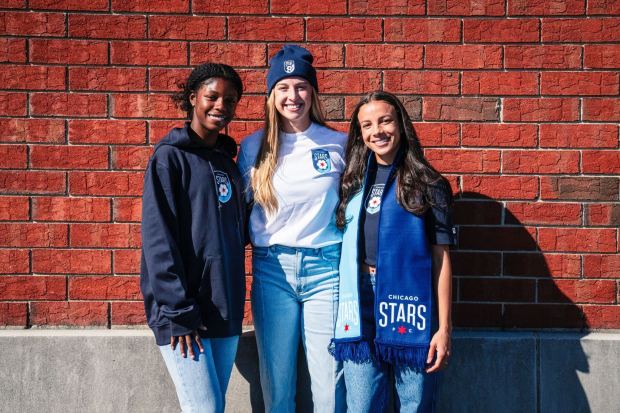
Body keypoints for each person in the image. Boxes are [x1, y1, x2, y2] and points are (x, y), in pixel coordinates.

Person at [237, 45, 346, 412]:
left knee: (330, 387)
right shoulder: (253, 148)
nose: (292, 96)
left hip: (326, 270)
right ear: (271, 95)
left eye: (300, 86)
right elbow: (237, 212)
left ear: (312, 91)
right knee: (278, 388)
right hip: (272, 271)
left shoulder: (338, 144)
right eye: (283, 88)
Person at [331, 91, 455, 412]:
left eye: (385, 120)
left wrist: (443, 329)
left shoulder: (429, 183)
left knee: (415, 404)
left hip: (411, 305)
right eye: (367, 125)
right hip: (360, 300)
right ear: (360, 134)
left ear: (400, 124)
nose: (378, 131)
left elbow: (441, 260)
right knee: (361, 405)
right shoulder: (353, 182)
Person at [140, 63, 246, 413]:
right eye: (212, 96)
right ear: (192, 98)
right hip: (183, 313)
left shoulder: (228, 163)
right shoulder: (169, 158)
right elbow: (159, 241)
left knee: (212, 406)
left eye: (230, 100)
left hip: (224, 307)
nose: (221, 106)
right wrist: (179, 312)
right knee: (205, 408)